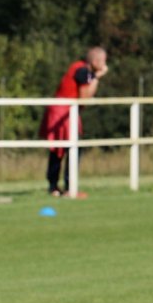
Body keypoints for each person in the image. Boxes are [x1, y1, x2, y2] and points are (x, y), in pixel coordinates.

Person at [42, 47, 107, 196]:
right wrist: (97, 77)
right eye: (103, 61)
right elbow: (84, 98)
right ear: (95, 61)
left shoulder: (82, 69)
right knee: (68, 149)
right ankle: (67, 187)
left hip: (65, 110)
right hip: (63, 111)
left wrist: (95, 77)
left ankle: (55, 187)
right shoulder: (82, 71)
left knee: (61, 149)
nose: (105, 65)